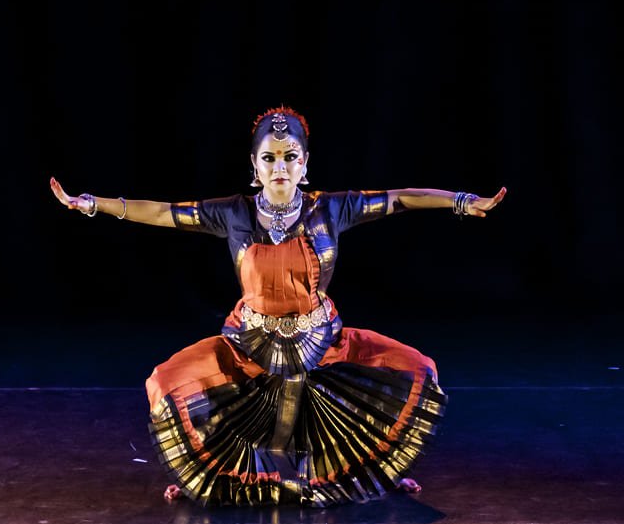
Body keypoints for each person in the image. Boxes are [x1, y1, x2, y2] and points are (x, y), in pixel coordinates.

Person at [49, 105, 507, 507]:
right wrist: (92, 205)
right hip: (248, 345)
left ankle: (374, 475)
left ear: (305, 164)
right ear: (255, 166)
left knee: (415, 369)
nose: (280, 167)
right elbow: (161, 212)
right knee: (167, 382)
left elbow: (401, 199)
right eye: (269, 158)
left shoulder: (331, 209)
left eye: (290, 157)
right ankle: (213, 481)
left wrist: (462, 202)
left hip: (320, 343)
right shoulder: (233, 213)